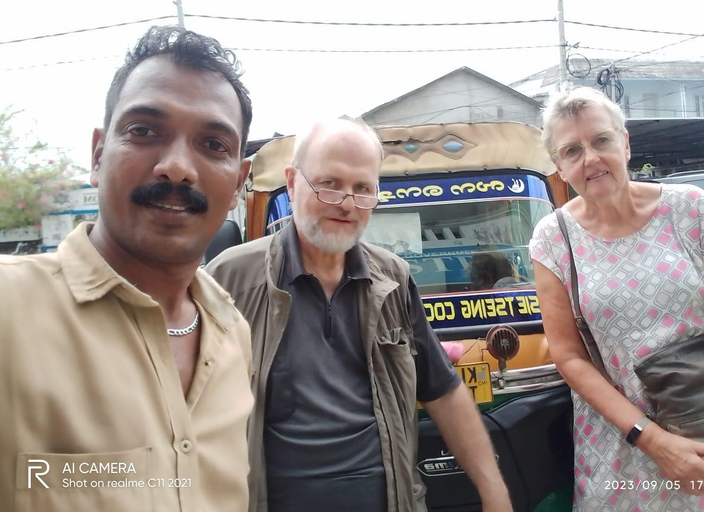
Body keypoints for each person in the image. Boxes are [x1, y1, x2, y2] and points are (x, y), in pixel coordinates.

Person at [0, 26, 254, 511]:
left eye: (214, 144)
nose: (177, 167)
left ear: (240, 182)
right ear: (98, 155)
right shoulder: (10, 309)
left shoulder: (233, 334)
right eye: (144, 131)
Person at [205, 118, 514, 512]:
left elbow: (443, 391)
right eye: (329, 183)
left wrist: (495, 494)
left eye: (362, 188)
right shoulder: (229, 279)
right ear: (293, 181)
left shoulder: (394, 279)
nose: (347, 202)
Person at [530, 86, 704, 510]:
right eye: (572, 151)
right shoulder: (553, 240)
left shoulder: (691, 211)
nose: (591, 159)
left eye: (601, 140)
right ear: (559, 167)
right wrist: (651, 439)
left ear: (625, 141)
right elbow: (569, 357)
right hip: (622, 446)